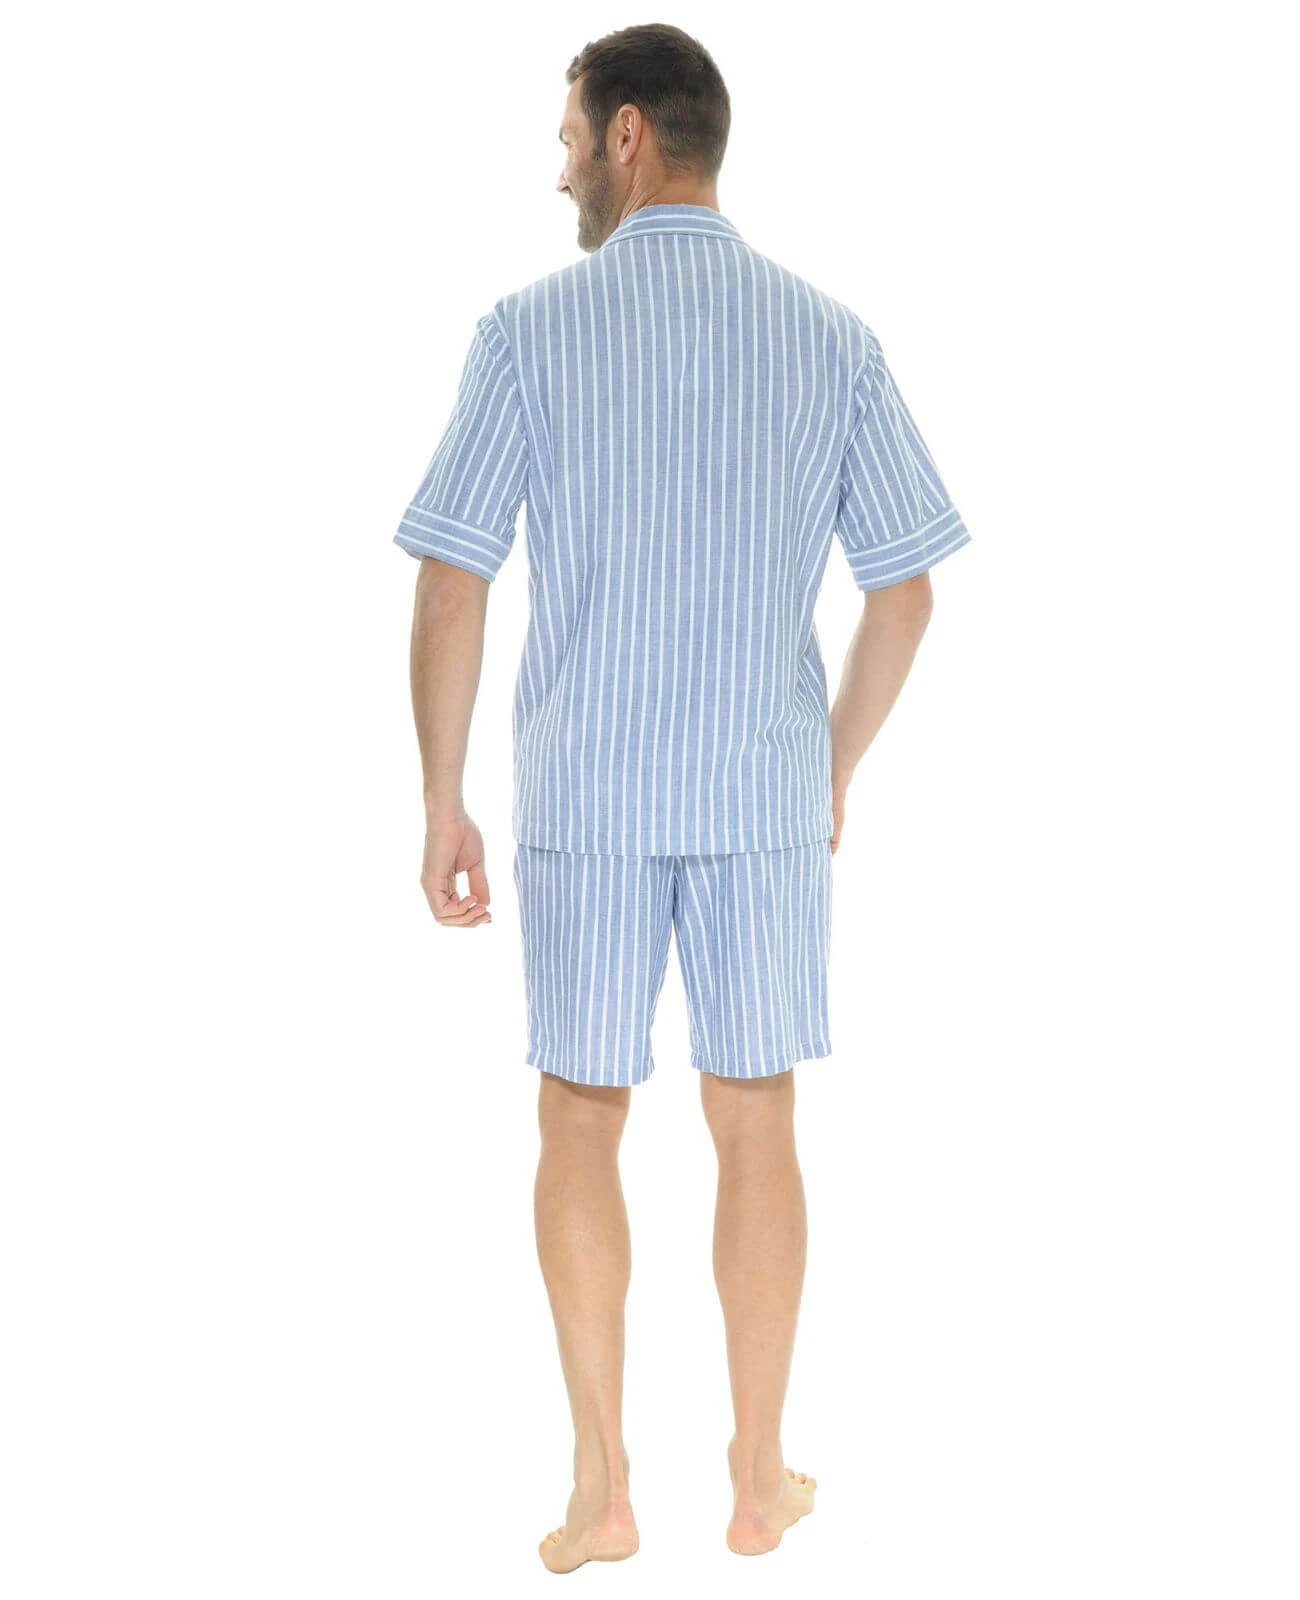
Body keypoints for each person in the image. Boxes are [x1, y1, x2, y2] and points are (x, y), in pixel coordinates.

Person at [393, 22, 972, 1572]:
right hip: (760, 794)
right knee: (757, 1118)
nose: (561, 167)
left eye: (569, 136)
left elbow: (452, 580)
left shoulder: (528, 332)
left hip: (586, 792)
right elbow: (908, 589)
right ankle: (759, 1478)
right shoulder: (830, 337)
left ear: (631, 133)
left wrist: (442, 797)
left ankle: (602, 1490)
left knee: (579, 1117)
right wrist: (829, 762)